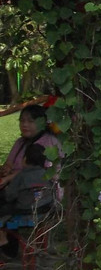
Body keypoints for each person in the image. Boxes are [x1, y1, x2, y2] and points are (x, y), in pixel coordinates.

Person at [0, 105, 62, 253]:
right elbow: (9, 163)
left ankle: (6, 243)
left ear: (42, 122)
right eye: (22, 121)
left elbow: (43, 172)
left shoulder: (49, 143)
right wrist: (6, 169)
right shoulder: (20, 142)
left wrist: (9, 178)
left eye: (30, 121)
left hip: (37, 198)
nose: (24, 125)